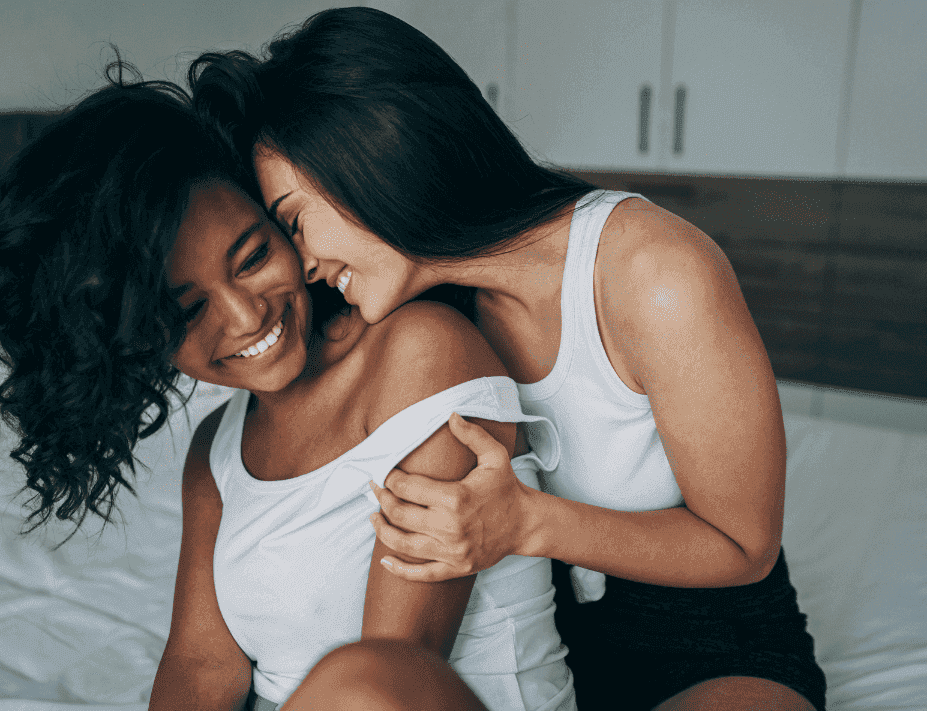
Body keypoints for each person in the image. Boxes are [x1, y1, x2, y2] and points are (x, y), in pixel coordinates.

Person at [187, 6, 828, 711]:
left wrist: (527, 521)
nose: (303, 264)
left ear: (371, 157)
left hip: (713, 646)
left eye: (293, 221)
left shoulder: (652, 273)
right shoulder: (426, 315)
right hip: (560, 655)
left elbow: (746, 545)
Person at [0, 60, 576, 711]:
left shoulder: (421, 350)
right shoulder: (216, 452)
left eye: (252, 257)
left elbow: (398, 669)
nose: (246, 315)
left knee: (363, 678)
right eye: (189, 308)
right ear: (141, 339)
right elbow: (201, 662)